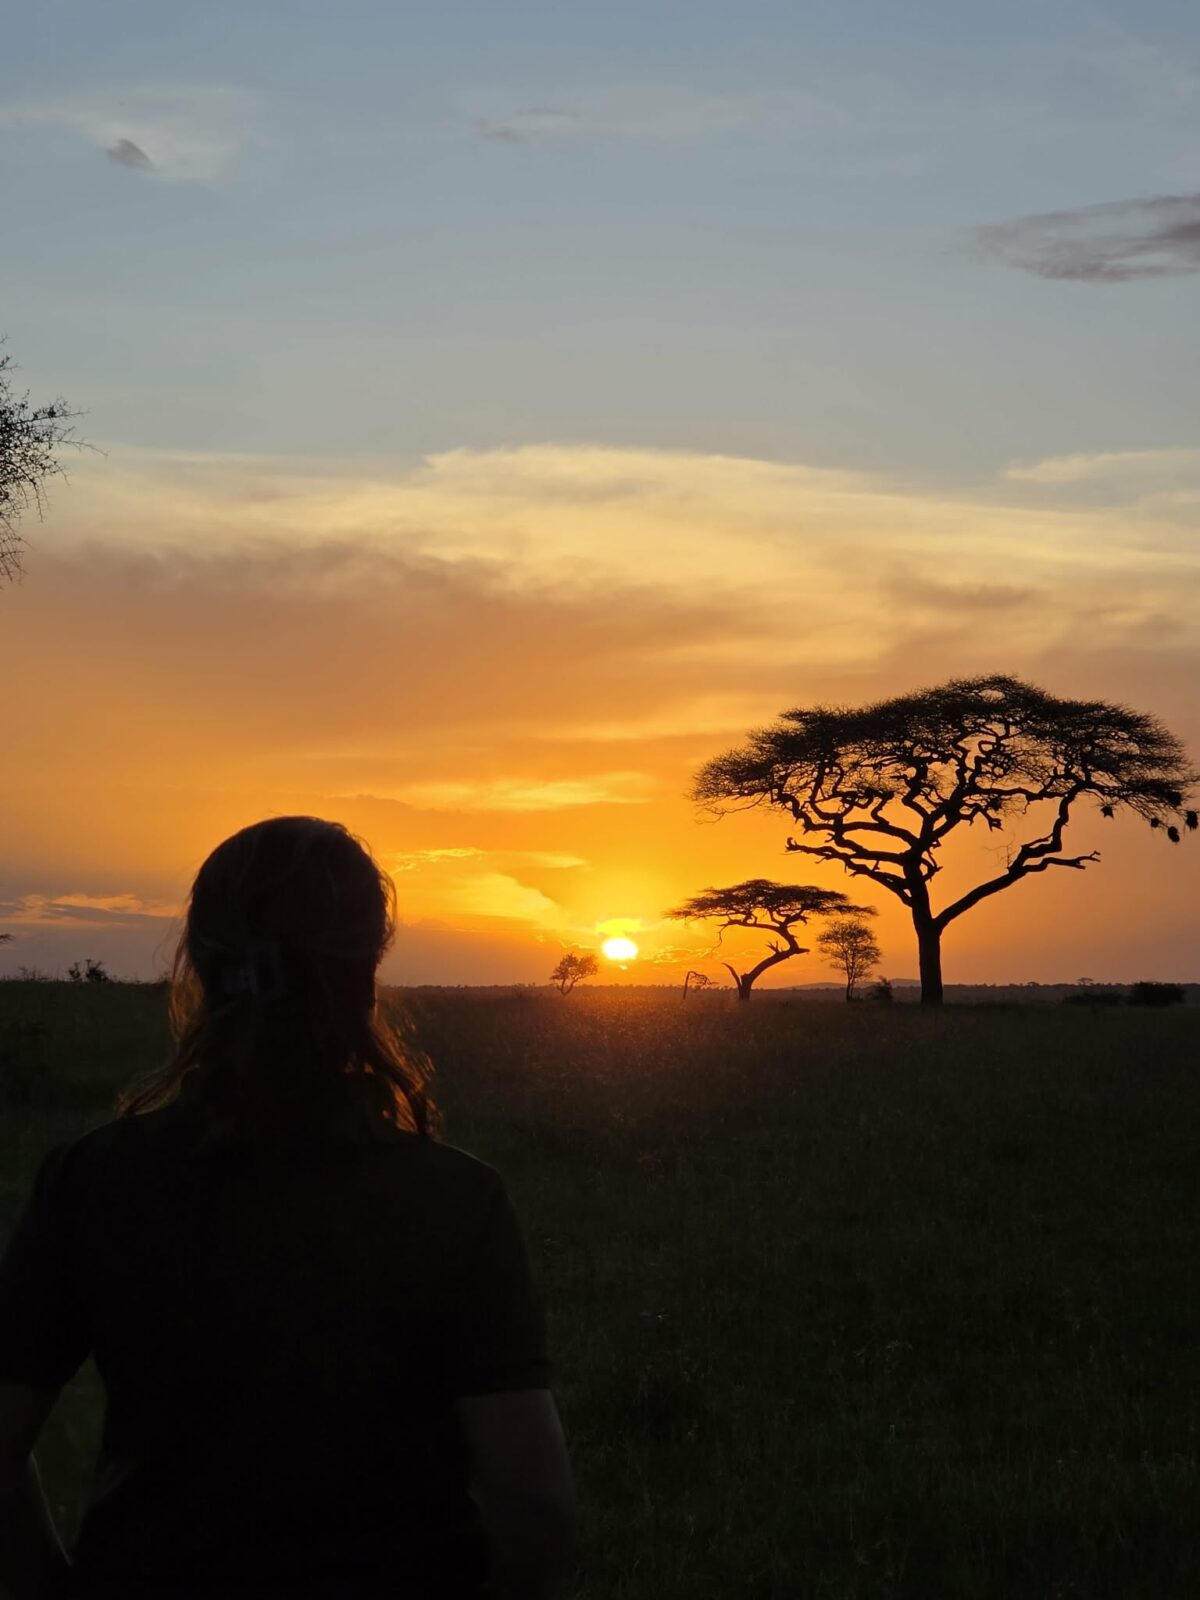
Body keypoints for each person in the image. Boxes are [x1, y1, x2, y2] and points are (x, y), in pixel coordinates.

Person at [0, 817, 576, 1599]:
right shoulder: (455, 1199)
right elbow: (534, 1499)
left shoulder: (90, 1179)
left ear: (199, 966)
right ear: (366, 975)